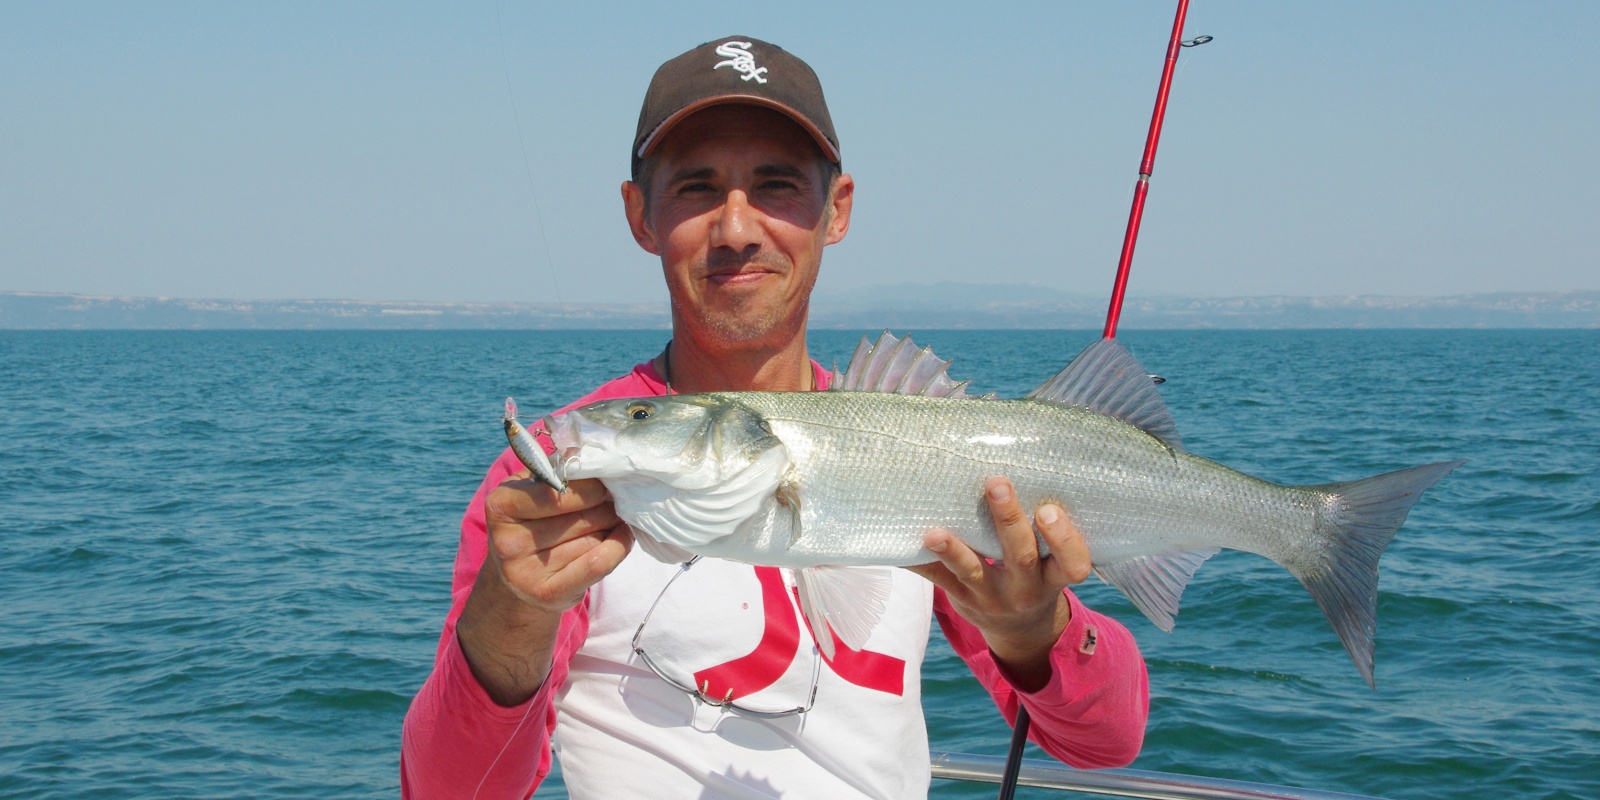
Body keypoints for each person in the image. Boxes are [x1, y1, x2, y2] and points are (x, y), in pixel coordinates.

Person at [402, 36, 1148, 799]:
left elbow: (1107, 741)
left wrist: (1034, 633)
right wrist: (512, 616)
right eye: (695, 188)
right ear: (640, 216)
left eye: (777, 185)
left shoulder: (918, 451)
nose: (736, 229)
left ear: (838, 210)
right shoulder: (556, 484)